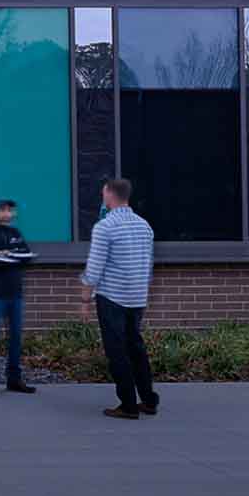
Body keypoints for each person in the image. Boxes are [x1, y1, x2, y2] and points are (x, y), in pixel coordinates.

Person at [81, 177, 157, 418]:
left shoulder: (105, 227)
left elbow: (94, 268)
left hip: (112, 297)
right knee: (136, 348)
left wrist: (85, 299)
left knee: (117, 352)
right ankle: (149, 400)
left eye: (103, 192)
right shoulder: (144, 226)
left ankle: (128, 405)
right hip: (137, 297)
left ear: (109, 194)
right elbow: (148, 264)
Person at [0, 198, 36, 397]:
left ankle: (14, 380)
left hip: (16, 294)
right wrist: (12, 257)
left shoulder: (16, 234)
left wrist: (7, 255)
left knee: (16, 338)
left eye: (9, 210)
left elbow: (27, 257)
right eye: (2, 209)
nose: (6, 213)